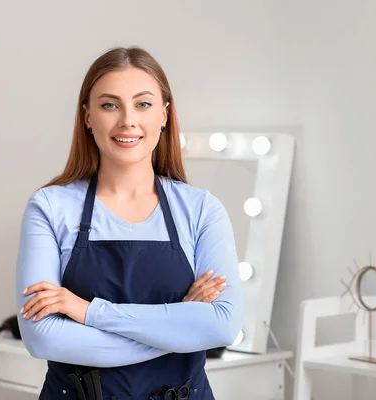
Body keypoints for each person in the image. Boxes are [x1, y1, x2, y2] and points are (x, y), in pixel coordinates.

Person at [15, 46, 243, 399]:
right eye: (109, 105)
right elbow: (42, 337)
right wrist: (179, 325)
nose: (127, 120)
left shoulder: (202, 210)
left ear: (165, 115)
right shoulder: (49, 207)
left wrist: (88, 311)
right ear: (88, 117)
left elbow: (223, 326)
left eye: (143, 104)